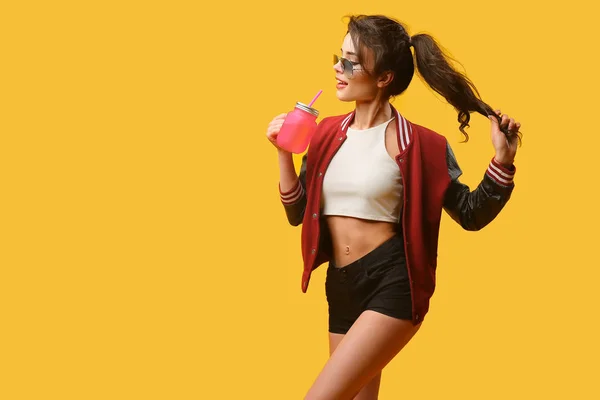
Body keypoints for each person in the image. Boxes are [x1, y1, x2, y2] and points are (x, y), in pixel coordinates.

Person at [266, 14, 521, 400]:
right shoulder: (323, 136)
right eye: (340, 56)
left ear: (383, 77)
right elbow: (296, 212)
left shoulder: (423, 145)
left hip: (392, 284)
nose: (338, 67)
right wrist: (284, 153)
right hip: (340, 284)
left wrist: (502, 161)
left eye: (350, 62)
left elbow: (471, 213)